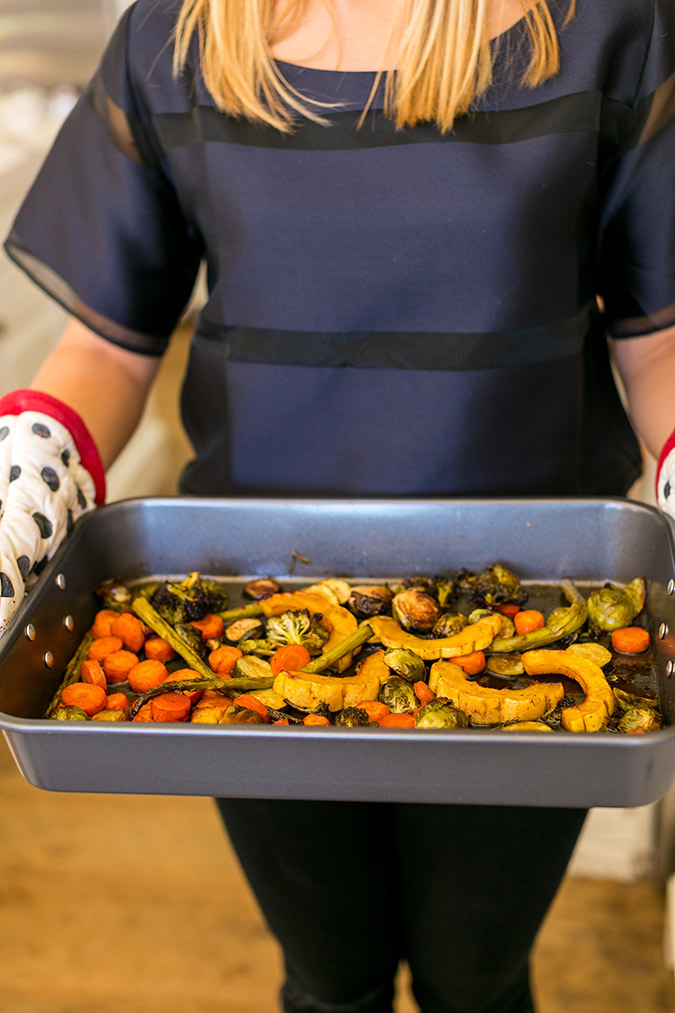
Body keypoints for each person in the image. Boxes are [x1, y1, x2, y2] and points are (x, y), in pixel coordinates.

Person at [1, 0, 674, 1009]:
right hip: (246, 619)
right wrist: (28, 478)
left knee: (478, 979)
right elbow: (106, 341)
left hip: (536, 613)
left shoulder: (613, 26)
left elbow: (658, 336)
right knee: (328, 976)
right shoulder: (175, 38)